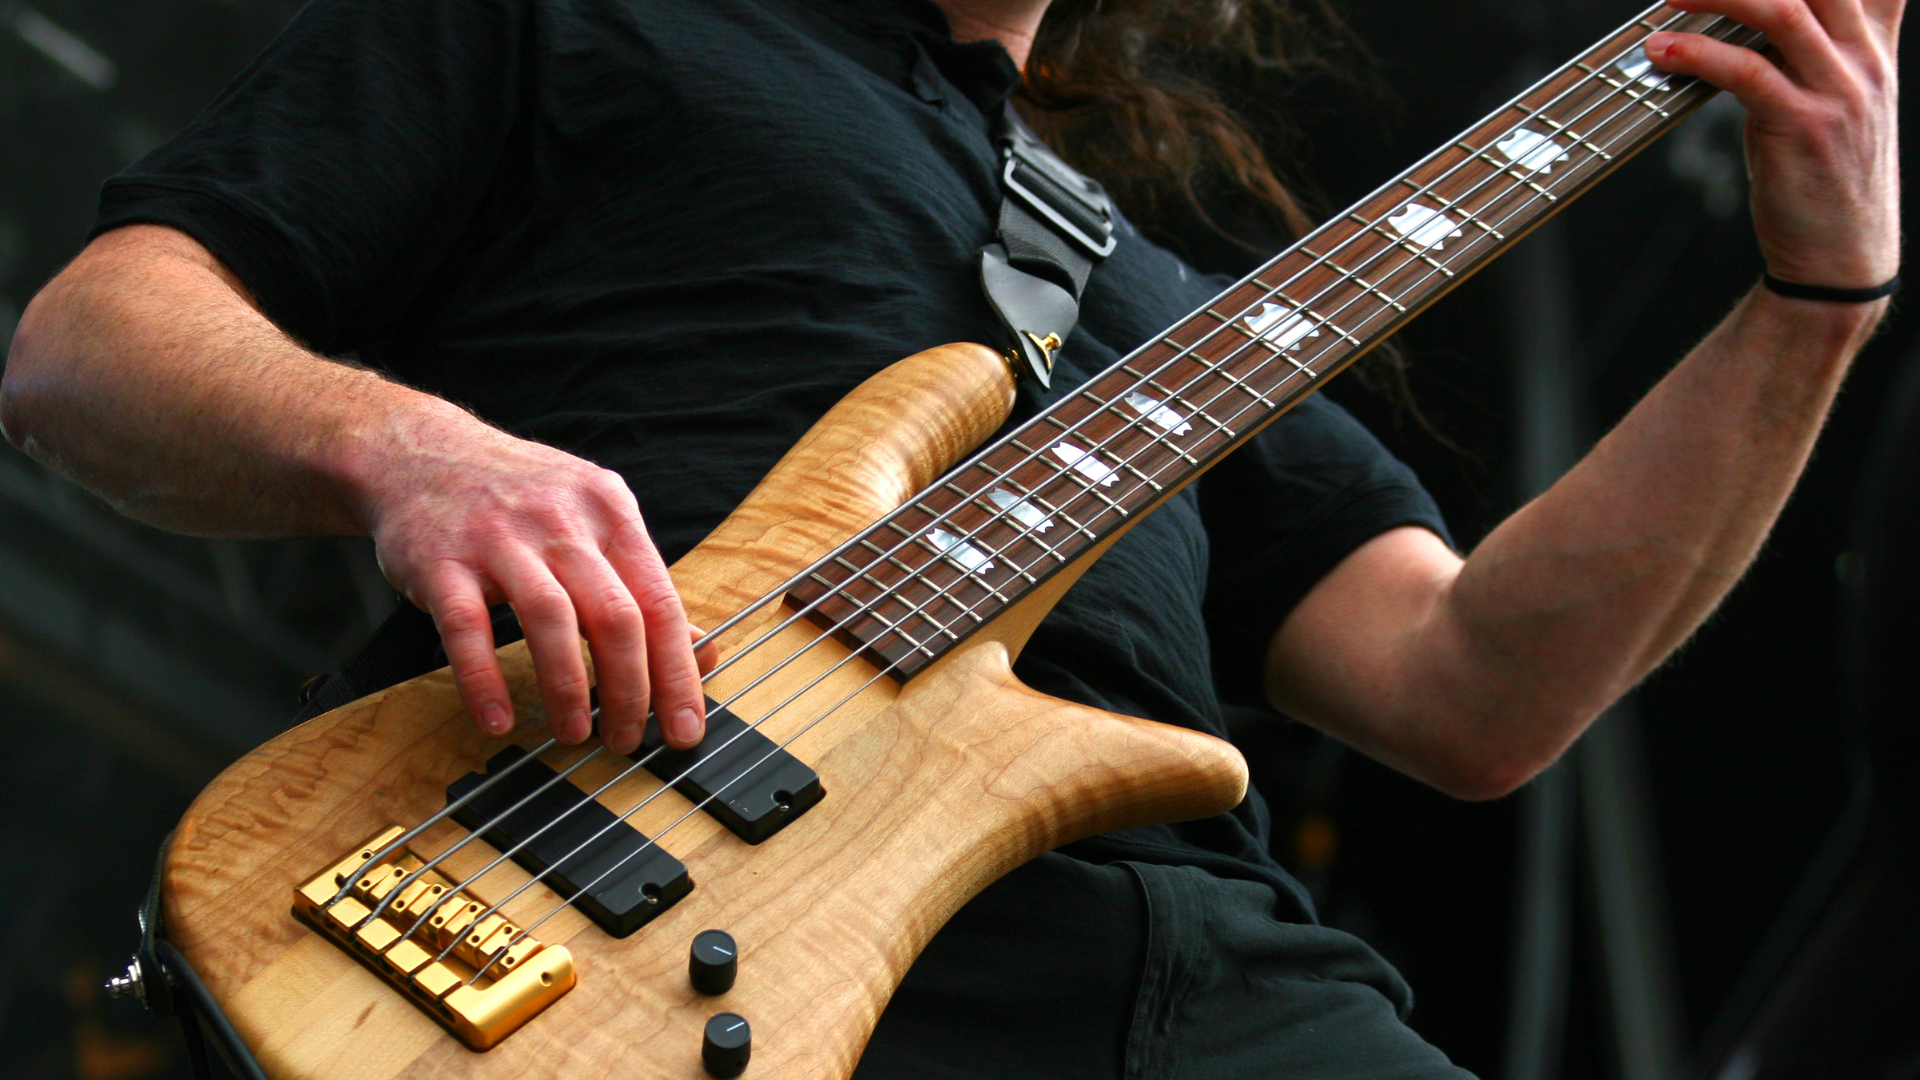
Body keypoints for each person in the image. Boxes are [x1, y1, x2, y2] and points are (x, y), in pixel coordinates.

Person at [0, 0, 1900, 1075]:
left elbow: (1477, 683)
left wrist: (1817, 303)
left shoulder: (1167, 309)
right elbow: (90, 340)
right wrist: (408, 449)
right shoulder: (581, 22)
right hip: (621, 892)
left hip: (1205, 979)